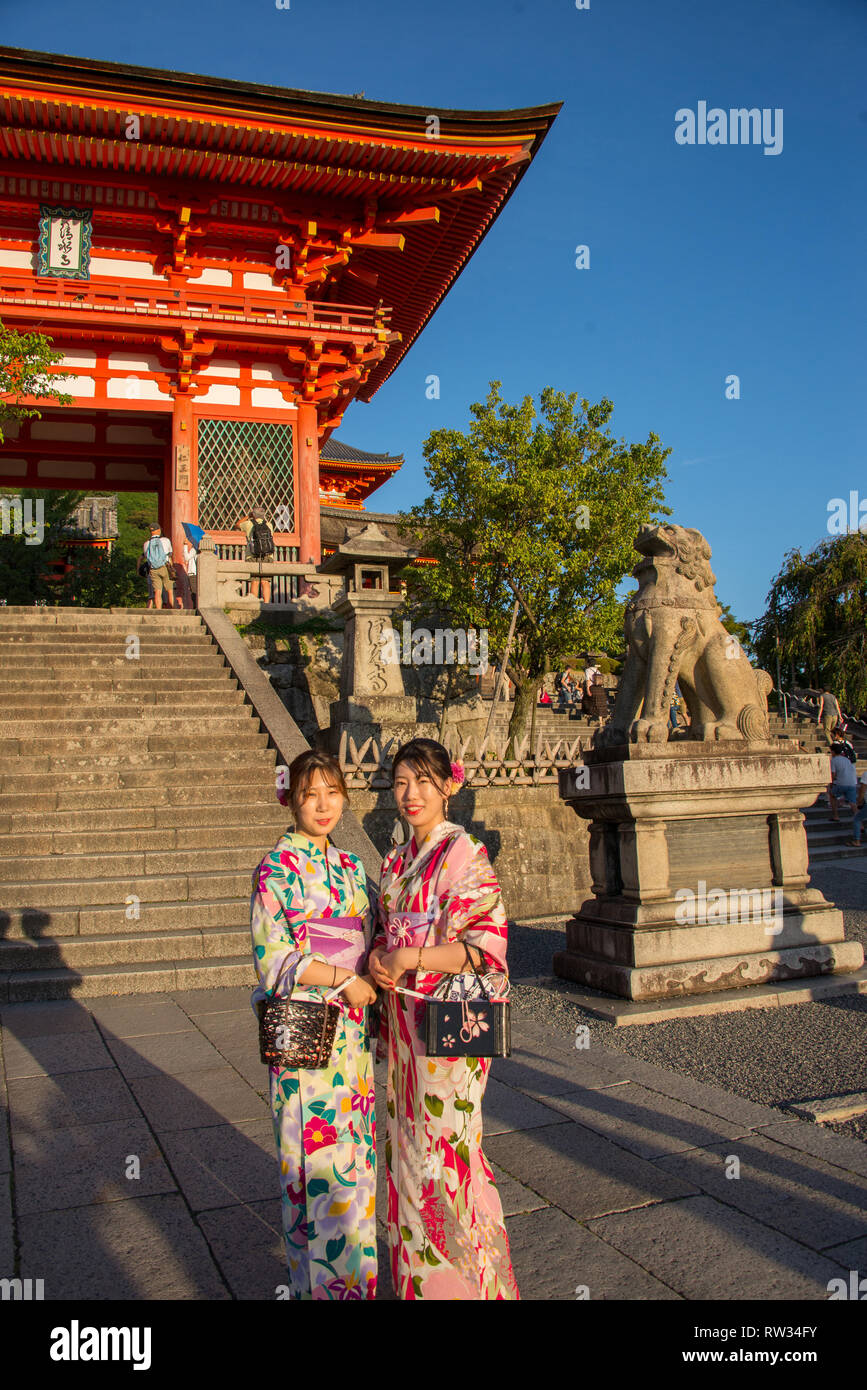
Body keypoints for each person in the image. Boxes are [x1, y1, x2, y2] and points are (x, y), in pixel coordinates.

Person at [368, 737, 519, 1300]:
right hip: (404, 1032)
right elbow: (384, 932)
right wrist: (380, 958)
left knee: (448, 1150)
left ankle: (467, 1286)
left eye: (423, 783)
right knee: (405, 1151)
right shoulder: (394, 862)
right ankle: (420, 1284)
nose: (410, 794)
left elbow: (486, 944)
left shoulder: (463, 854)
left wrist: (412, 957)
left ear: (448, 787)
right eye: (401, 782)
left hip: (449, 1027)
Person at [250, 749, 378, 1300]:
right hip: (305, 1033)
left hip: (352, 1038)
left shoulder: (351, 868)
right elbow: (273, 957)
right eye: (310, 794)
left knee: (356, 1167)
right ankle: (319, 1289)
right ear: (291, 800)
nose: (323, 806)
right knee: (312, 1169)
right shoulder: (276, 868)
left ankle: (355, 1283)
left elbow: (374, 940)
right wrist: (340, 978)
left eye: (332, 792)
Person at [237, 506, 274, 603]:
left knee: (255, 581)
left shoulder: (249, 524)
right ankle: (266, 604)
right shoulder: (269, 525)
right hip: (267, 555)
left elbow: (237, 525)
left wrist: (248, 516)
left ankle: (253, 603)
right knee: (265, 582)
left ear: (253, 514)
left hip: (252, 555)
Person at [142, 524, 175, 610]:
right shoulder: (166, 540)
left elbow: (146, 556)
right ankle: (172, 609)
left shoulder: (146, 544)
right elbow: (170, 554)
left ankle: (158, 610)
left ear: (151, 531)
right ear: (159, 530)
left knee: (157, 592)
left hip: (153, 569)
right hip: (165, 567)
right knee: (170, 590)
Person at [827, 743, 858, 823]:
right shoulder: (846, 759)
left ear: (833, 752)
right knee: (853, 804)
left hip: (841, 784)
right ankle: (860, 823)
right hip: (852, 783)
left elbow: (833, 775)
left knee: (832, 795)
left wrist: (831, 784)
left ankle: (836, 816)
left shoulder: (834, 760)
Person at [846, 766, 867, 847]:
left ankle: (856, 841)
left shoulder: (866, 774)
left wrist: (859, 802)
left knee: (857, 819)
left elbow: (862, 790)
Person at [183, 538, 198, 609]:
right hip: (198, 573)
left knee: (194, 592)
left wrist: (185, 545)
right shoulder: (199, 550)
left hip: (193, 573)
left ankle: (196, 607)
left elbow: (187, 557)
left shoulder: (194, 549)